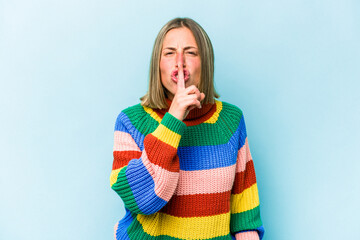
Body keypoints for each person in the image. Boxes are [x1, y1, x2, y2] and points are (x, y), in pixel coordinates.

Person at [110, 17, 265, 240]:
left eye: (191, 53)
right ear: (158, 64)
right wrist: (174, 118)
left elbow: (245, 215)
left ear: (206, 62)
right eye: (169, 53)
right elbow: (144, 201)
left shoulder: (230, 121)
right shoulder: (131, 121)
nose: (179, 62)